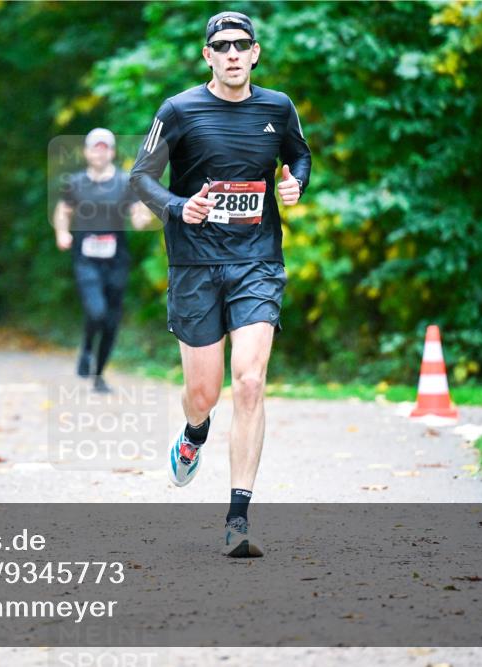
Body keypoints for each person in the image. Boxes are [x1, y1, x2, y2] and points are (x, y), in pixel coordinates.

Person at [129, 12, 311, 556]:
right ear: (207, 55)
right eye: (221, 45)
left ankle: (238, 520)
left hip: (257, 261)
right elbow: (141, 176)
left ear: (255, 53)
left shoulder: (278, 108)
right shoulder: (178, 110)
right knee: (204, 395)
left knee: (250, 381)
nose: (232, 53)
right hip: (195, 266)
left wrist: (295, 183)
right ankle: (194, 434)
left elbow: (298, 153)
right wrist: (180, 207)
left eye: (242, 45)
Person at [53, 128, 152, 393]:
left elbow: (137, 210)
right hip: (86, 257)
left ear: (112, 152)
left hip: (116, 256)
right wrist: (62, 232)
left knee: (111, 318)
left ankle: (99, 374)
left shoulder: (123, 182)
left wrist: (141, 218)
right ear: (86, 152)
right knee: (96, 311)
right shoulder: (75, 182)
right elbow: (63, 210)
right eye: (95, 147)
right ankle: (86, 347)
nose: (100, 152)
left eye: (105, 147)